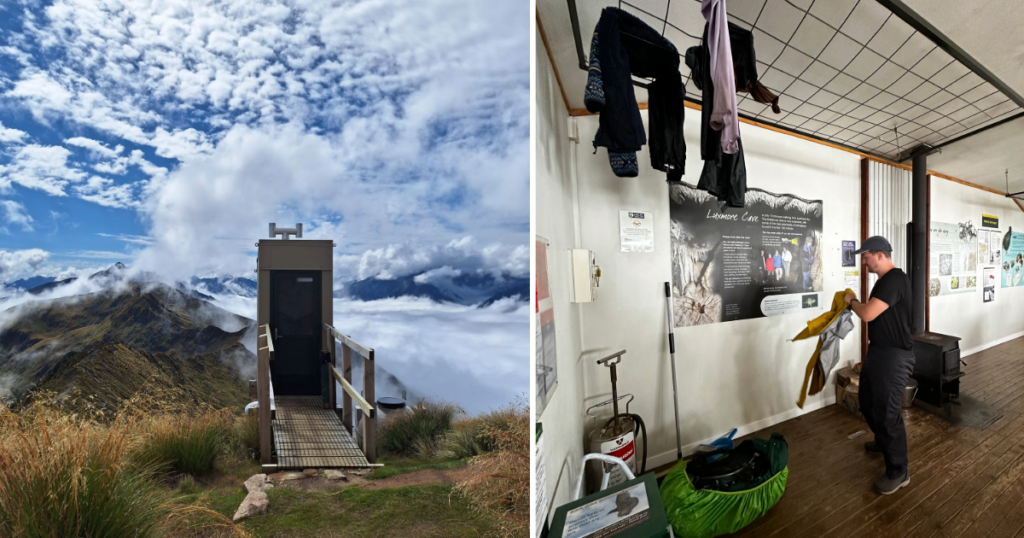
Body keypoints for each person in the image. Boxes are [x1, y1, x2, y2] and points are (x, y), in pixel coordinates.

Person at [844, 236, 915, 495]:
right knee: (867, 400)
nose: (864, 261)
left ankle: (899, 471)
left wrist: (851, 300)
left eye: (866, 256)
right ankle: (883, 441)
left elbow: (867, 314)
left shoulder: (895, 279)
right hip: (878, 352)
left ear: (880, 255)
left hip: (895, 357)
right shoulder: (884, 282)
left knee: (887, 412)